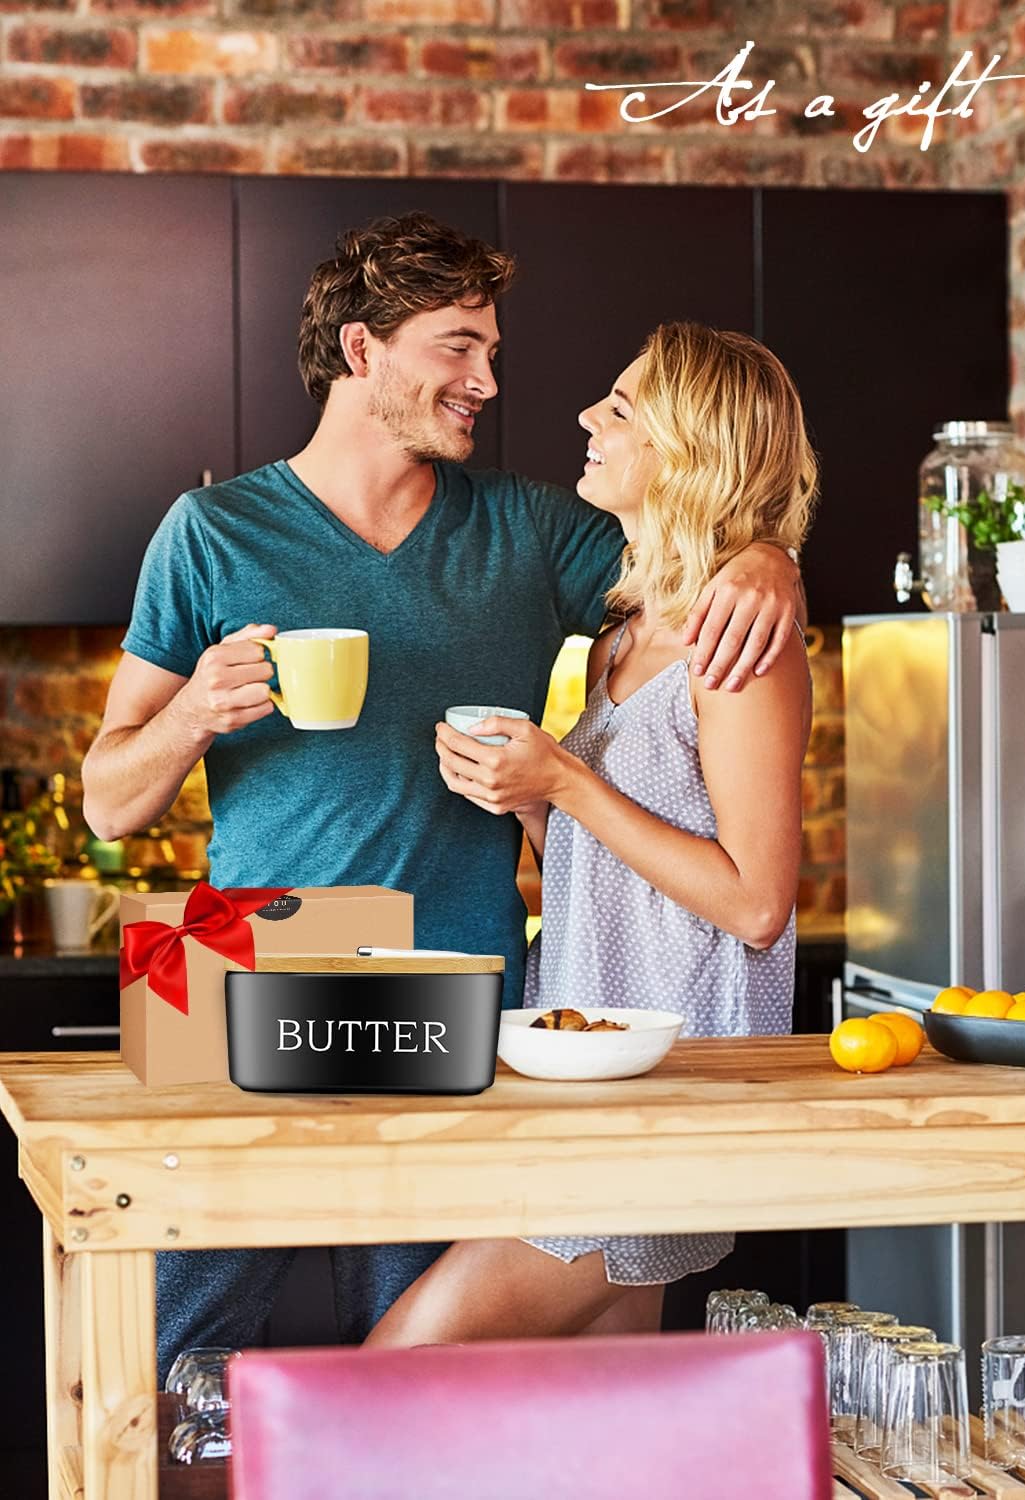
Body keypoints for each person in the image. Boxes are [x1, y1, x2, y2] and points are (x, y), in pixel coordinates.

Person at [82, 216, 804, 1379]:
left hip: (453, 985)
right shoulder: (209, 533)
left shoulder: (530, 531)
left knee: (419, 1381)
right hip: (236, 968)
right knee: (156, 1353)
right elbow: (106, 806)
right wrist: (187, 717)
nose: (489, 382)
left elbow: (694, 548)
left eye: (492, 350)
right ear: (362, 351)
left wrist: (772, 558)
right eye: (459, 347)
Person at [366, 322, 816, 1348]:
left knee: (395, 1369)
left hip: (665, 1098)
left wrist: (564, 780)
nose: (585, 417)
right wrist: (528, 799)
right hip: (595, 1084)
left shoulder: (734, 639)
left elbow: (753, 904)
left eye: (620, 409)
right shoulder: (623, 631)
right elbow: (611, 869)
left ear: (687, 449)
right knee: (595, 1428)